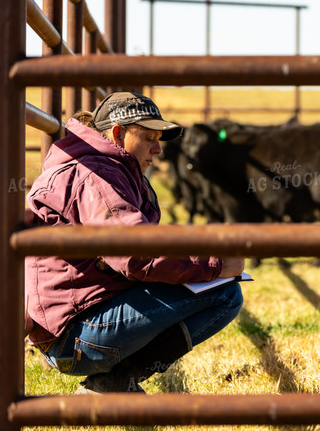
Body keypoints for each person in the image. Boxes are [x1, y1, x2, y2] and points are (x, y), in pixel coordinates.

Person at [25, 91, 244, 394]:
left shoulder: (104, 168)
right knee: (225, 294)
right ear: (118, 133)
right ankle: (113, 383)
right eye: (149, 138)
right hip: (75, 336)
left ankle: (112, 383)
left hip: (73, 323)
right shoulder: (98, 175)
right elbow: (136, 254)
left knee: (209, 287)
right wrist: (215, 264)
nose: (158, 150)